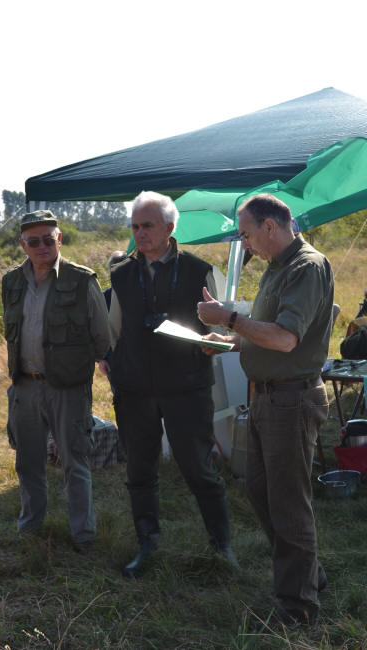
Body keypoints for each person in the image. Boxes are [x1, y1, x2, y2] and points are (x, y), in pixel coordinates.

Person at [197, 193, 333, 626]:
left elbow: (286, 339)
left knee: (289, 506)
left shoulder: (306, 267)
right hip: (265, 397)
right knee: (261, 493)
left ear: (270, 226)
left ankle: (298, 609)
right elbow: (266, 332)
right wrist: (227, 341)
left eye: (247, 234)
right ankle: (306, 575)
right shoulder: (279, 267)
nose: (246, 243)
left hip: (290, 400)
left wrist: (229, 319)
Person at [104, 190, 237, 577]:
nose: (140, 233)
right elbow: (115, 331)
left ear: (170, 227)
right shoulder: (121, 273)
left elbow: (220, 329)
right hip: (134, 392)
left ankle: (222, 547)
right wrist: (113, 362)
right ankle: (147, 546)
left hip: (186, 387)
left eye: (148, 225)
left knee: (198, 469)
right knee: (140, 472)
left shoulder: (199, 270)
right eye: (134, 226)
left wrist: (219, 339)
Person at [2, 209, 110, 553]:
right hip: (25, 386)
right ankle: (31, 527)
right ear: (23, 244)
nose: (42, 246)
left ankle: (83, 537)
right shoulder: (11, 281)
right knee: (27, 462)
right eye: (33, 241)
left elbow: (102, 337)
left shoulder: (81, 279)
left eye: (49, 239)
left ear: (59, 239)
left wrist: (72, 367)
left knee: (74, 462)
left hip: (67, 387)